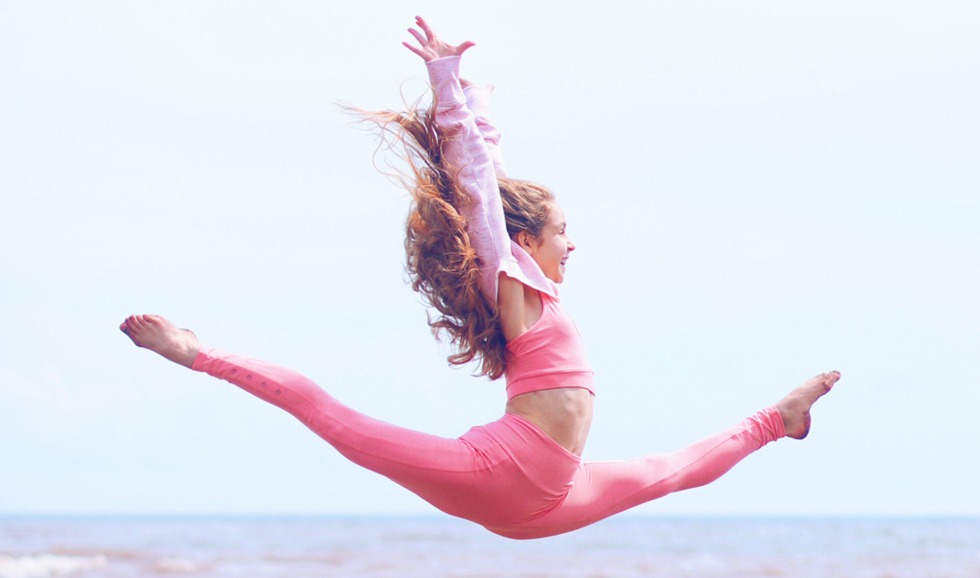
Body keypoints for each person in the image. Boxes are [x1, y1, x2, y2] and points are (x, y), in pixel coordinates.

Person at [120, 16, 840, 540]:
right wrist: (446, 86)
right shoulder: (518, 283)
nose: (574, 244)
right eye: (563, 232)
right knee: (331, 417)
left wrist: (480, 104)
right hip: (495, 473)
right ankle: (193, 350)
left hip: (550, 496)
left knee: (670, 469)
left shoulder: (540, 291)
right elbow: (479, 194)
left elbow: (492, 186)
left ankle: (779, 421)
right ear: (526, 242)